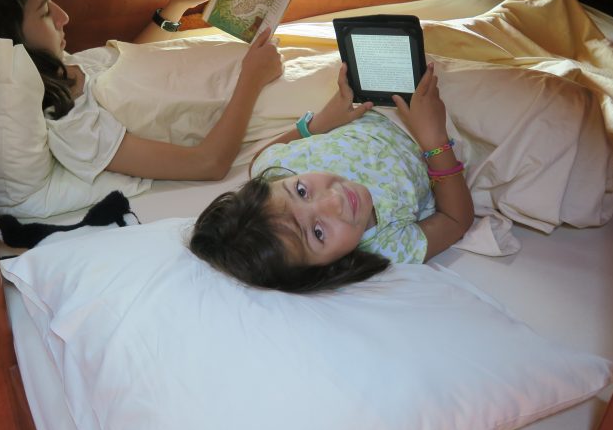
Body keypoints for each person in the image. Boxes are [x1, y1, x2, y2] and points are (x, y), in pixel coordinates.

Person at [0, 0, 283, 182]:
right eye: (45, 12)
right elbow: (208, 164)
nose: (64, 17)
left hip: (247, 68)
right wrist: (252, 77)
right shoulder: (71, 123)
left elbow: (123, 66)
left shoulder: (56, 64)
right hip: (253, 96)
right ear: (6, 33)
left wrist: (176, 7)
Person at [189, 61, 475, 292]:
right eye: (318, 232)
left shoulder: (276, 169)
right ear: (328, 269)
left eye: (301, 191)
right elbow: (456, 219)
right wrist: (434, 140)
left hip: (369, 105)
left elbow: (260, 159)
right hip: (435, 133)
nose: (334, 202)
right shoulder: (386, 247)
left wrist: (319, 123)